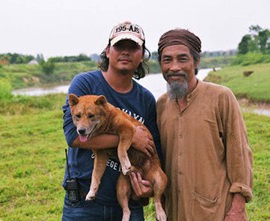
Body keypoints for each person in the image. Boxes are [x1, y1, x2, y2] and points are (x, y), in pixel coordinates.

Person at [61, 21, 162, 221]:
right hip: (83, 204)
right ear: (107, 51)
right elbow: (73, 136)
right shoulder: (85, 84)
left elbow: (154, 150)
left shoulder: (146, 99)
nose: (125, 52)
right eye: (119, 46)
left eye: (132, 47)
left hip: (129, 204)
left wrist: (147, 190)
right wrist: (130, 138)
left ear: (141, 55)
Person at [156, 28, 253, 221]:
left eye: (182, 59)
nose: (174, 67)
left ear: (196, 61)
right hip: (174, 212)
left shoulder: (221, 97)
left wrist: (237, 209)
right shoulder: (161, 105)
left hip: (216, 211)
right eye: (167, 60)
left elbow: (239, 153)